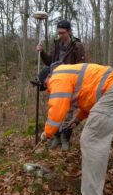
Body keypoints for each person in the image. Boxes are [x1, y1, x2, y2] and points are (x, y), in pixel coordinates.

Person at [38, 63, 113, 195]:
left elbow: (57, 110)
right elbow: (90, 97)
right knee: (98, 141)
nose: (48, 89)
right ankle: (93, 189)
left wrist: (47, 133)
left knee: (91, 141)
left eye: (45, 85)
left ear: (48, 76)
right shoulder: (68, 74)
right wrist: (78, 118)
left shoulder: (58, 76)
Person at [36, 20, 85, 151]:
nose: (60, 35)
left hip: (70, 83)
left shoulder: (77, 46)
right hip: (56, 82)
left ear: (69, 31)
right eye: (58, 32)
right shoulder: (57, 44)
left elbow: (81, 67)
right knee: (56, 111)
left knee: (68, 113)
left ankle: (65, 139)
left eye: (62, 32)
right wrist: (42, 52)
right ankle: (56, 137)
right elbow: (49, 62)